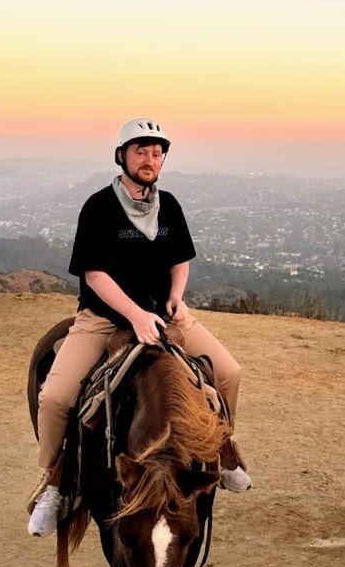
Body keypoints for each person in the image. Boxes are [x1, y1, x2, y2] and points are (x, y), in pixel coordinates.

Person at [28, 118, 250, 536]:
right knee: (56, 397)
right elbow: (94, 275)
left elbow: (180, 259)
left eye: (156, 153)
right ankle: (53, 484)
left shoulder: (170, 206)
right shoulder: (99, 207)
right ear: (122, 157)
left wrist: (176, 296)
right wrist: (133, 314)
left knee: (229, 373)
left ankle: (221, 449)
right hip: (104, 319)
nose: (150, 160)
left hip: (165, 316)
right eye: (141, 152)